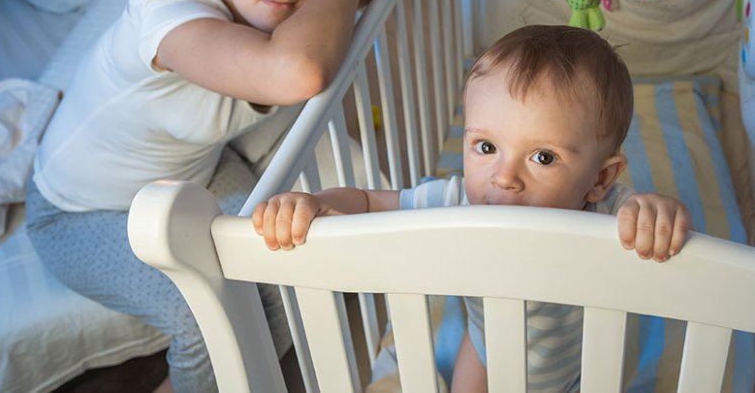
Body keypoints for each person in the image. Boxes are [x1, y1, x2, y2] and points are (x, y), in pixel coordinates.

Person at [24, 0, 468, 393]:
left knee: (292, 260)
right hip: (81, 212)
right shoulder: (168, 18)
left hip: (195, 174)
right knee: (203, 317)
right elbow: (299, 73)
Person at [253, 24, 694, 393]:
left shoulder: (606, 214)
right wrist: (317, 203)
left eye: (543, 157)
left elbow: (645, 217)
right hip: (485, 348)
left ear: (599, 179)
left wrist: (657, 212)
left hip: (578, 365)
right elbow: (370, 202)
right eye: (486, 147)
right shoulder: (457, 202)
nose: (504, 177)